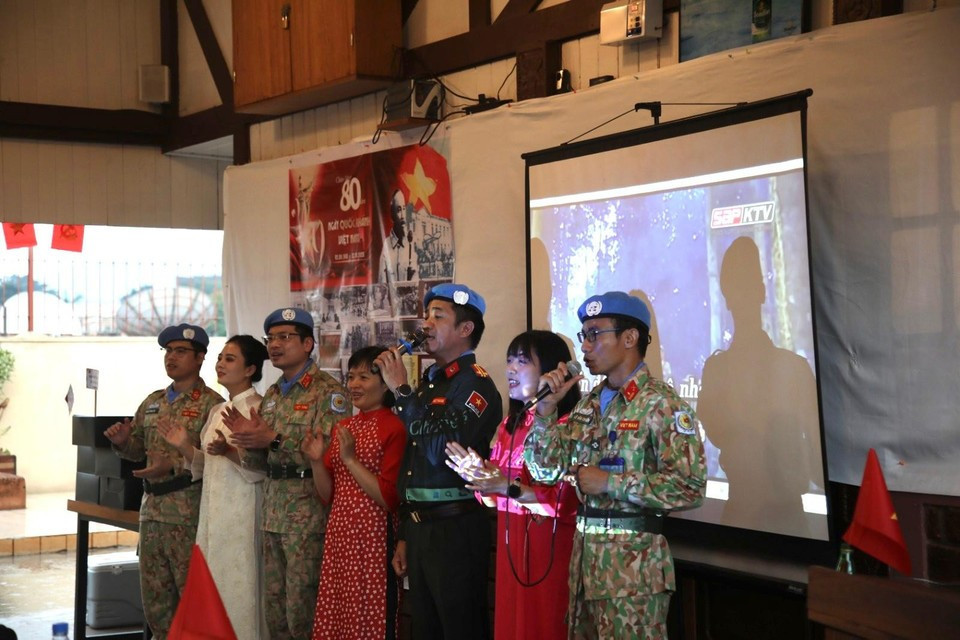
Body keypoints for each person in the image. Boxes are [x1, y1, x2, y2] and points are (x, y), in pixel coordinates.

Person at [525, 292, 707, 639]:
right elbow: (544, 470)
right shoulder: (588, 405)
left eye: (594, 334)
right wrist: (546, 410)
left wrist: (611, 483)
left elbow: (690, 488)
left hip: (633, 576)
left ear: (629, 337)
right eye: (583, 336)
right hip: (585, 568)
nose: (584, 347)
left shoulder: (661, 404)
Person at [373, 283, 502, 639]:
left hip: (455, 528)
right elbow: (413, 466)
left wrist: (401, 391)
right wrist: (405, 533)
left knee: (459, 628)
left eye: (438, 316)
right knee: (424, 630)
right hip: (420, 528)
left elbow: (441, 449)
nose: (426, 324)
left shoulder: (475, 385)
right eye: (426, 315)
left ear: (465, 329)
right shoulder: (431, 384)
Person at [224, 308, 351, 640]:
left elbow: (330, 454)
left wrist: (274, 438)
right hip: (272, 512)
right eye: (271, 338)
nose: (275, 345)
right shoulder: (273, 394)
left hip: (308, 515)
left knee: (302, 611)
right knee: (275, 612)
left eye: (284, 337)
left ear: (308, 344)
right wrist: (247, 440)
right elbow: (261, 460)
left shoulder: (329, 392)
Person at [445, 330, 582, 639]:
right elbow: (494, 498)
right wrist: (479, 477)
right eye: (509, 361)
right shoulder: (510, 425)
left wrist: (506, 487)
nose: (510, 369)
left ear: (552, 370)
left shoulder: (567, 426)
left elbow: (565, 503)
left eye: (522, 361)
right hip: (512, 554)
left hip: (550, 554)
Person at [104, 324, 224, 640]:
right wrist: (123, 441)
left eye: (181, 351)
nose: (171, 357)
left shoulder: (213, 404)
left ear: (200, 357)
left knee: (191, 600)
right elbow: (137, 451)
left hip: (188, 514)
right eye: (168, 351)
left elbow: (217, 461)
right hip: (152, 512)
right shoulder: (153, 401)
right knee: (156, 602)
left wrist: (173, 465)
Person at [158, 334, 270, 640]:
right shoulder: (217, 411)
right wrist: (184, 445)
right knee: (212, 589)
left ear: (250, 369)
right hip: (212, 516)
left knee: (240, 590)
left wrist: (230, 452)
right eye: (220, 358)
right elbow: (205, 466)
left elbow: (263, 470)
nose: (220, 364)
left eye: (230, 359)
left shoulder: (260, 408)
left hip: (242, 514)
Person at [302, 346, 407, 640]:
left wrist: (350, 460)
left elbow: (389, 498)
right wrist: (316, 461)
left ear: (385, 384)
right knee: (339, 614)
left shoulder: (396, 427)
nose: (354, 385)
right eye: (351, 377)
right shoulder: (344, 426)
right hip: (340, 536)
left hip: (374, 538)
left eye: (364, 377)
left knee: (369, 615)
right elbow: (327, 495)